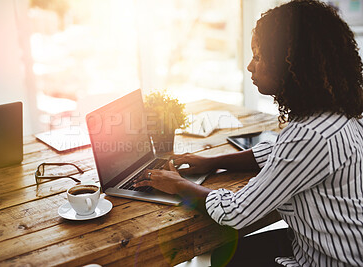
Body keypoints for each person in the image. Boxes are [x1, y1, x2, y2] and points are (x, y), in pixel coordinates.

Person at [135, 0, 363, 266]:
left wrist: (178, 185)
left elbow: (236, 212)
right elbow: (278, 153)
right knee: (226, 254)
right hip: (339, 245)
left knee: (227, 255)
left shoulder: (310, 136)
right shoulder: (339, 113)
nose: (250, 66)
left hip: (330, 261)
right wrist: (213, 161)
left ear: (290, 65)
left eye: (258, 56)